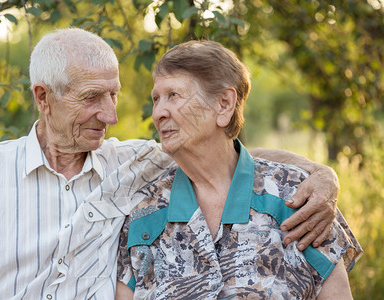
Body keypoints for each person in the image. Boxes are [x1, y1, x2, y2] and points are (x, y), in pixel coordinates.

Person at [0, 28, 339, 300]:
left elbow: (220, 152)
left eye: (115, 96)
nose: (110, 116)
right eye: (93, 98)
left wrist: (322, 175)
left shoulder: (130, 163)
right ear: (44, 98)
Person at [115, 40, 363, 299]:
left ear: (224, 104)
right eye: (156, 99)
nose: (158, 113)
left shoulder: (299, 197)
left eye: (173, 95)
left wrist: (324, 173)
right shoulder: (142, 214)